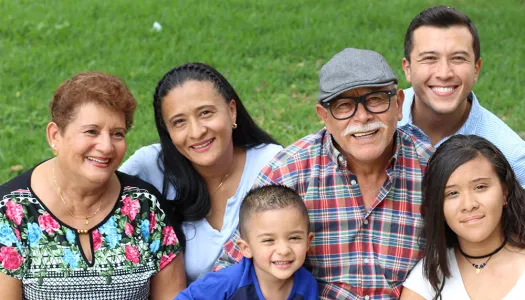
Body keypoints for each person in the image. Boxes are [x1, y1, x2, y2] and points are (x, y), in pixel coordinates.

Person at [215, 48, 435, 299]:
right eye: (344, 106)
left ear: (398, 105)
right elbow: (233, 265)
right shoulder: (290, 171)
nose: (362, 117)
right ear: (324, 117)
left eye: (375, 100)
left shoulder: (431, 169)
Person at [0, 72, 185, 299]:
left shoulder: (145, 208)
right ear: (55, 136)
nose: (106, 147)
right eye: (91, 131)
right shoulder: (10, 212)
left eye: (117, 134)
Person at [119, 62, 282, 282]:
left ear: (231, 111)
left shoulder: (272, 164)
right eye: (179, 122)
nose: (197, 131)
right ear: (167, 131)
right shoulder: (151, 166)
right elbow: (89, 188)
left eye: (205, 113)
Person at [399, 5, 525, 186]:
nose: (444, 73)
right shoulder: (377, 119)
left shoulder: (511, 156)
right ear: (408, 69)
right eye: (429, 58)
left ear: (476, 69)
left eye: (458, 58)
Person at [401, 135, 525, 299]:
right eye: (452, 193)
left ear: (505, 192)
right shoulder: (427, 278)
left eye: (480, 187)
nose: (468, 204)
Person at [176, 185, 318, 300]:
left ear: (308, 241)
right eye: (269, 240)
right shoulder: (228, 282)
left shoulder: (307, 285)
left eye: (294, 238)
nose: (284, 250)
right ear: (246, 248)